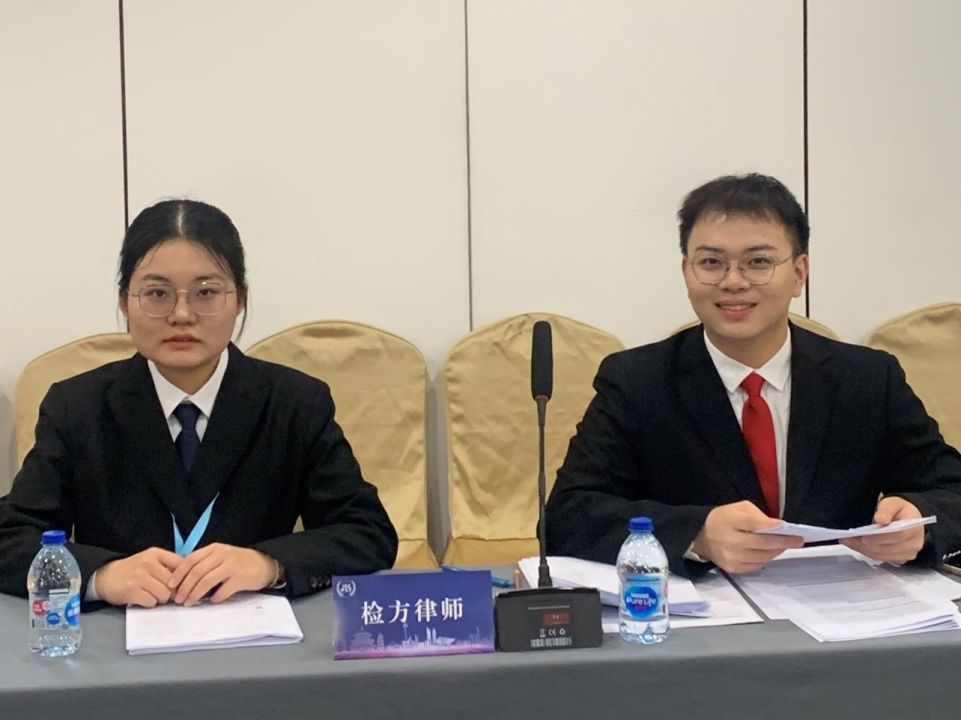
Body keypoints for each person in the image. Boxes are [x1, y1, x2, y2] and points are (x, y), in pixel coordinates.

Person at [545, 173, 961, 577]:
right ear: (686, 272)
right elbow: (566, 516)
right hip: (705, 613)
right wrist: (697, 533)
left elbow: (951, 491)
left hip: (841, 605)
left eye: (758, 262)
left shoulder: (867, 379)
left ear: (799, 273)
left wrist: (921, 521)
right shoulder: (637, 381)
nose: (733, 281)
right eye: (711, 262)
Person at [0, 199, 397, 607]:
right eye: (157, 293)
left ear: (240, 299)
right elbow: (11, 539)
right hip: (118, 635)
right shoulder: (77, 408)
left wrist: (269, 564)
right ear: (124, 302)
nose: (182, 314)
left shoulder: (295, 403)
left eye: (206, 292)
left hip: (256, 632)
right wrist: (100, 576)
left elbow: (366, 533)